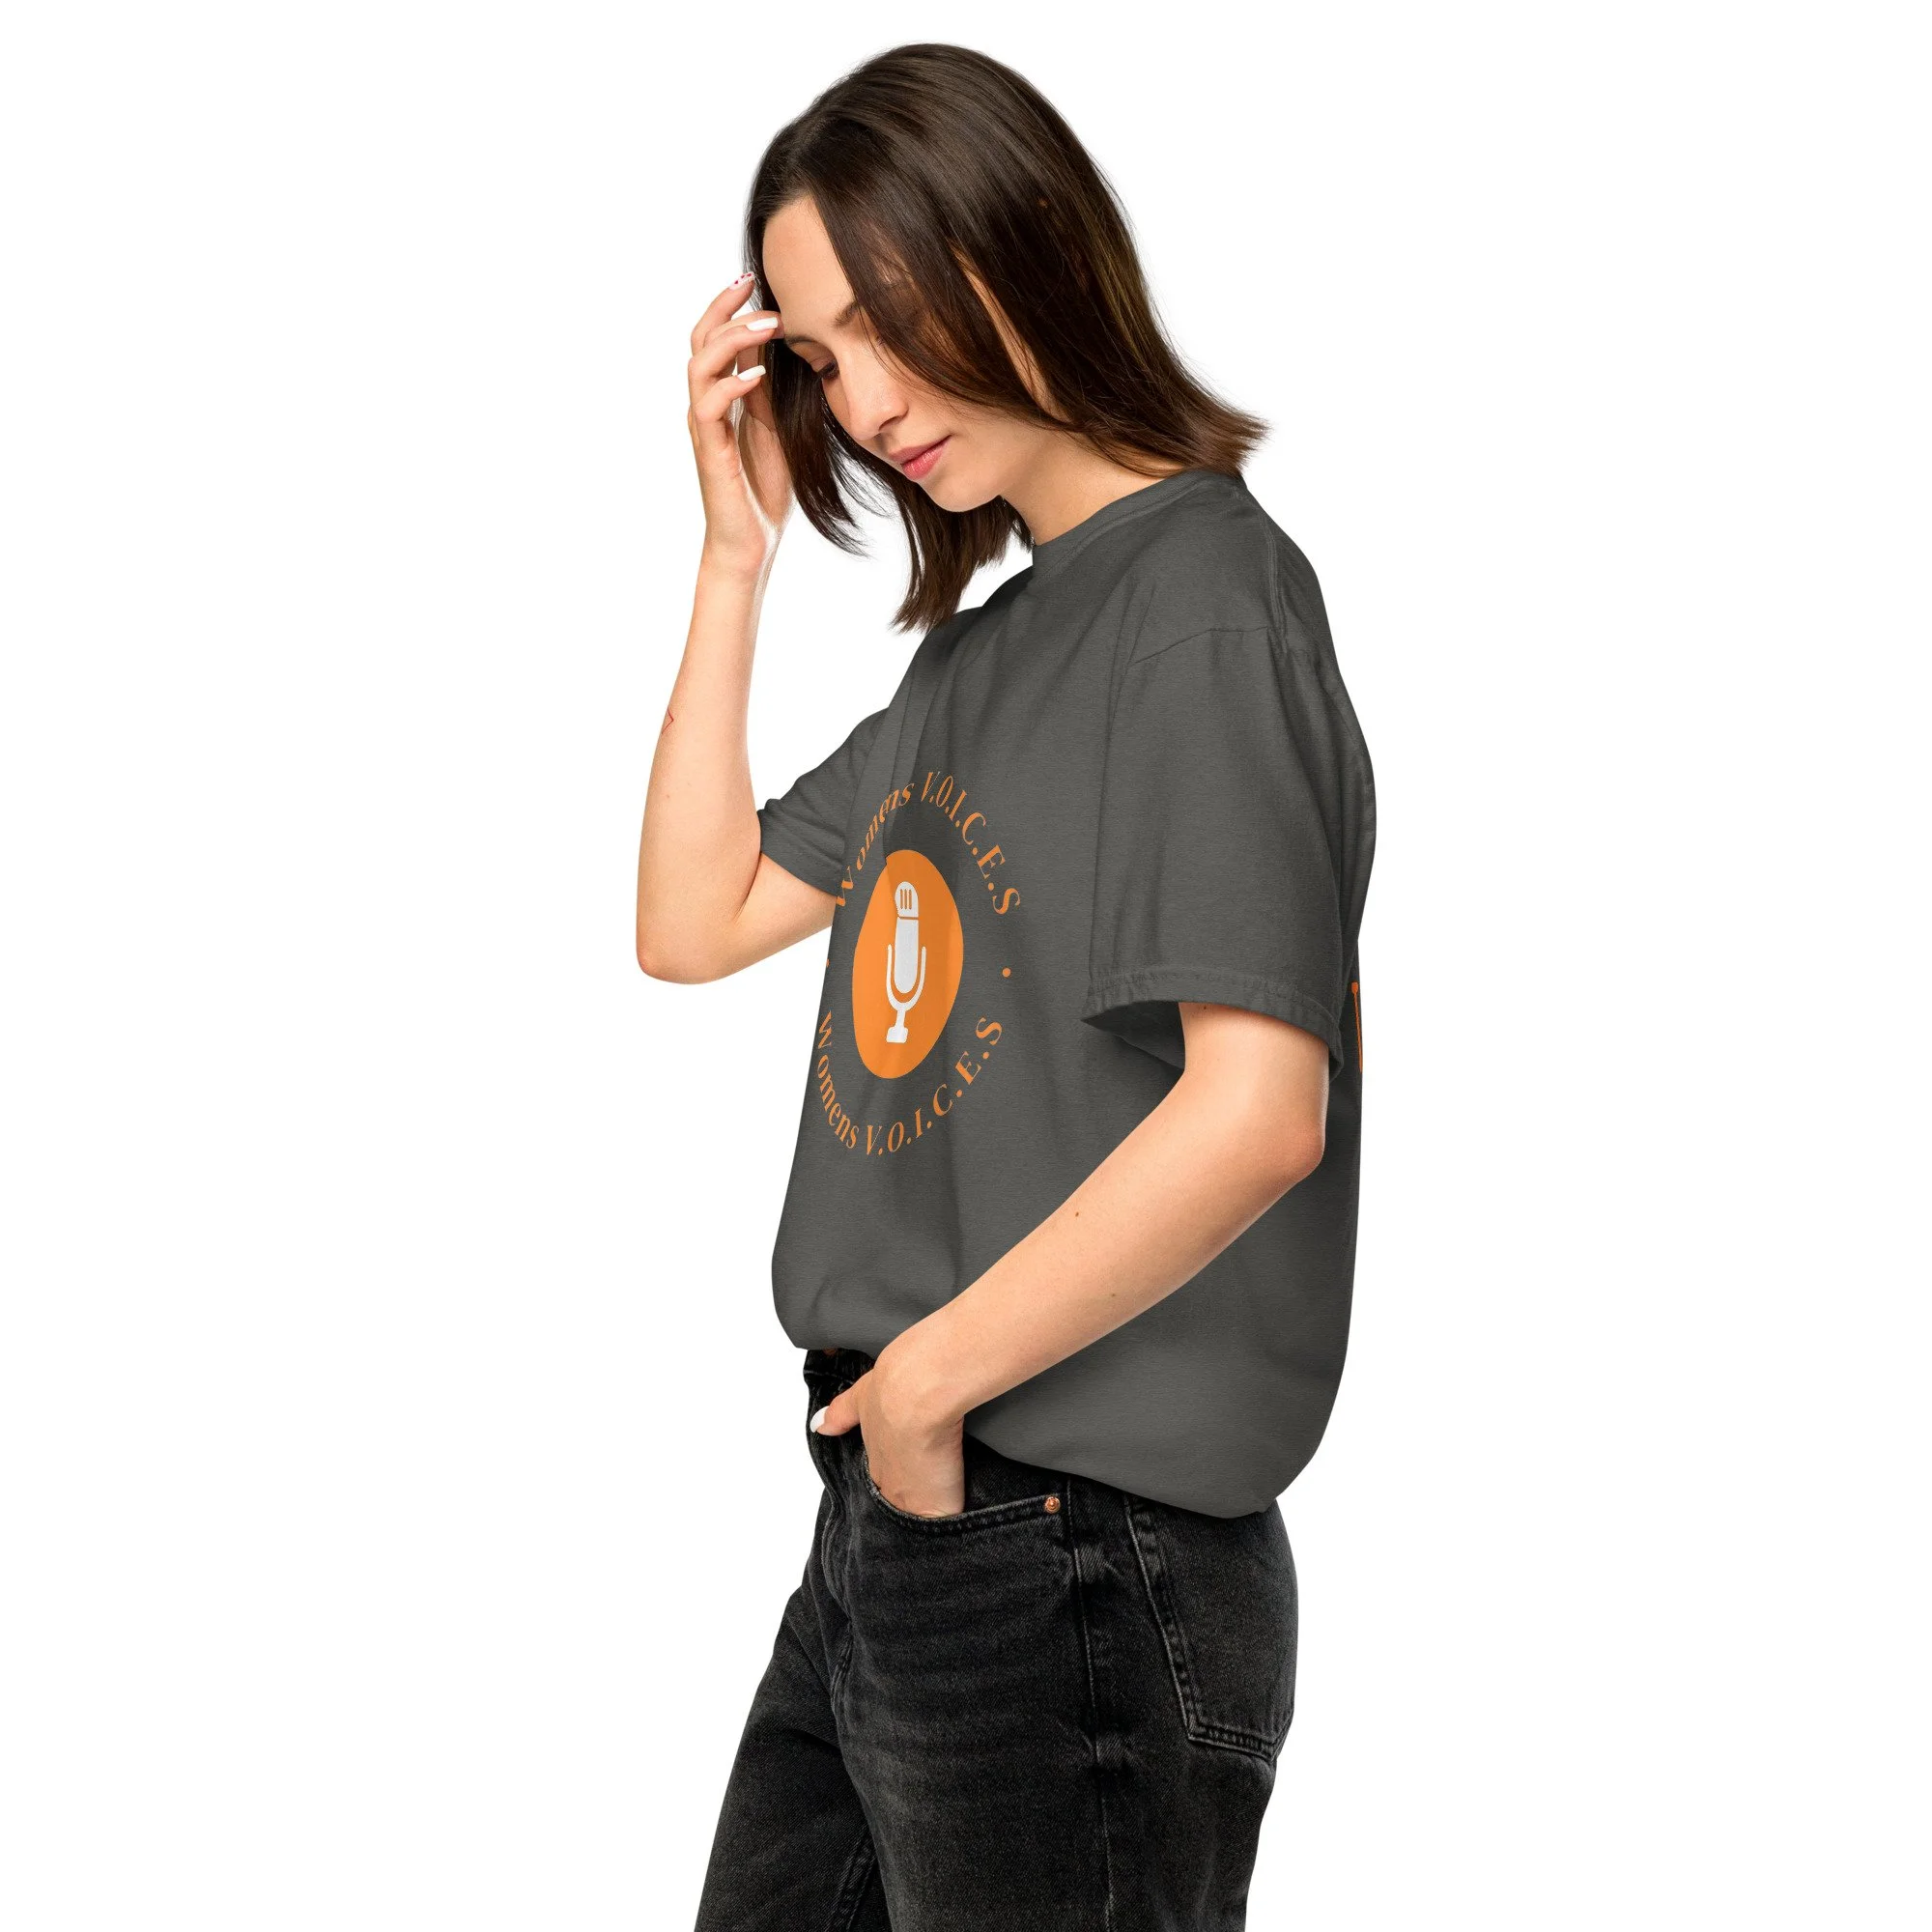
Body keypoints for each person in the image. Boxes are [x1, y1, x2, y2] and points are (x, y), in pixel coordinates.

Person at [636, 42, 1377, 1932]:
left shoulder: (1204, 602)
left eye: (891, 320)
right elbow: (693, 916)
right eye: (819, 358)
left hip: (1070, 1540)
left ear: (1026, 240)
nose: (868, 400)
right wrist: (732, 559)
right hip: (902, 1521)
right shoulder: (980, 662)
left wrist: (930, 1391)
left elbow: (1257, 1107)